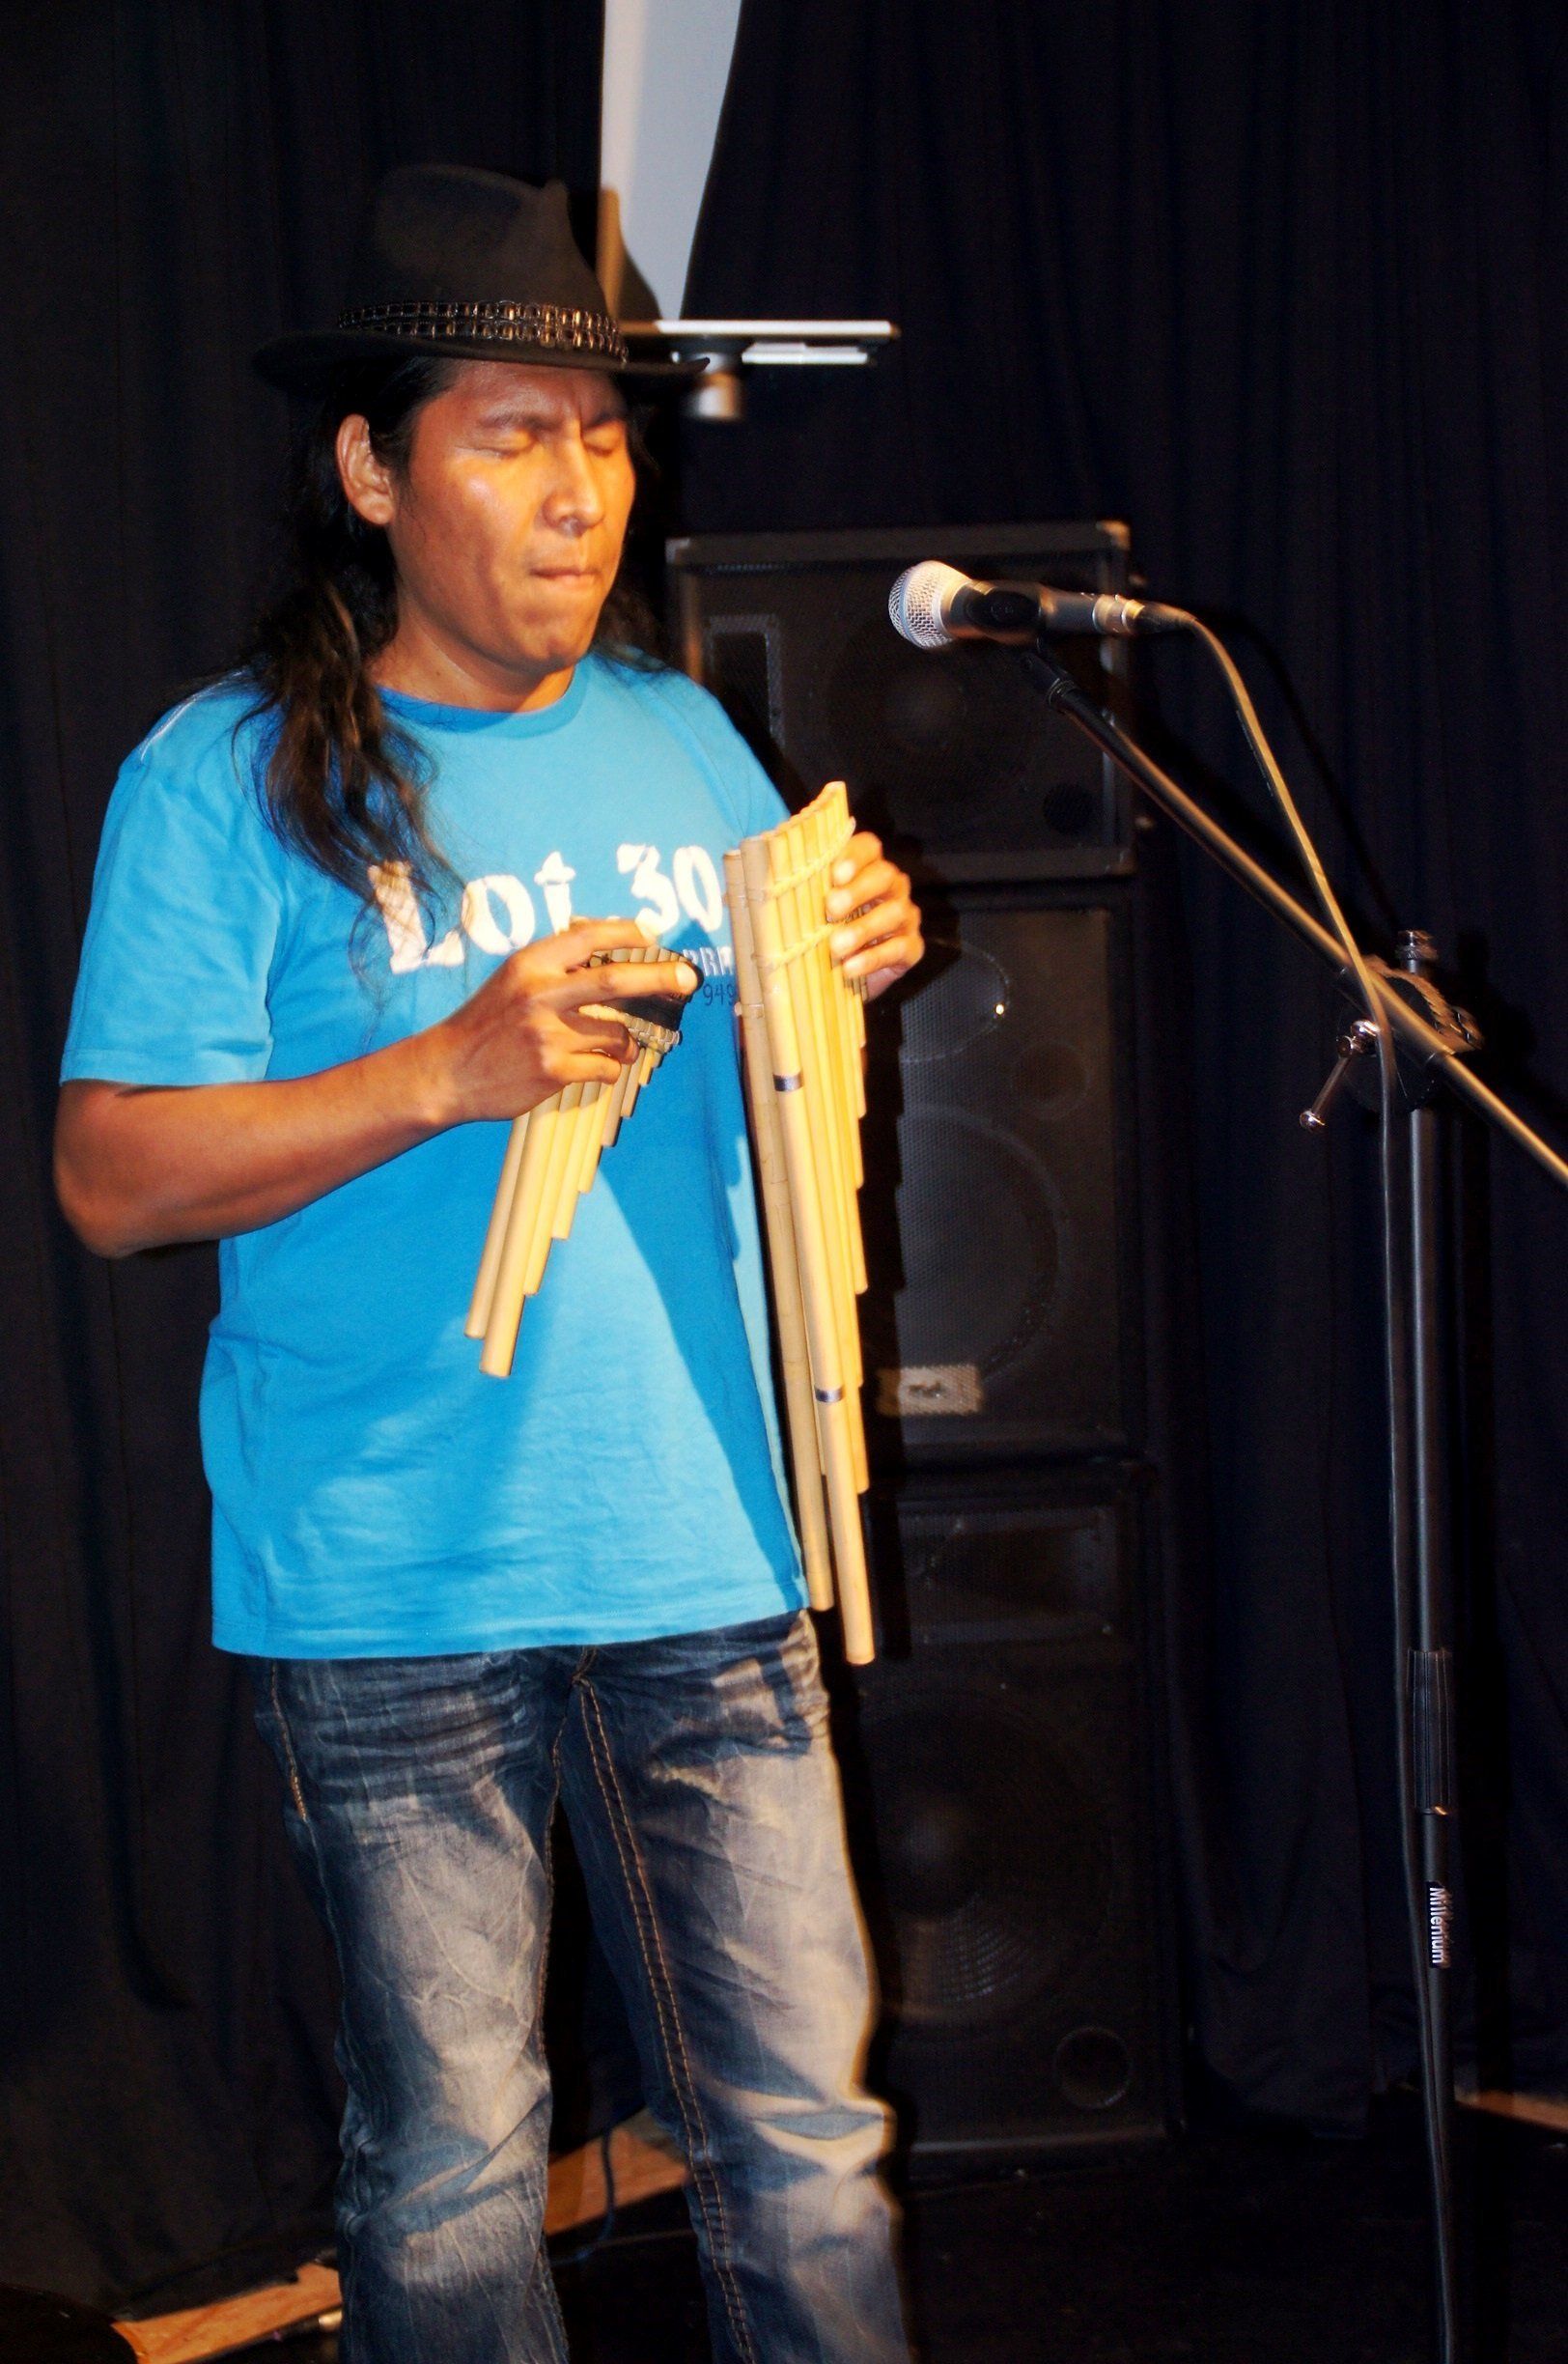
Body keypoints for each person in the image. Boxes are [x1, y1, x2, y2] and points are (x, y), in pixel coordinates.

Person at [54, 166, 922, 2364]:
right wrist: (444, 1069)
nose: (578, 493)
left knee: (807, 2151)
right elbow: (112, 1177)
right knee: (449, 2183)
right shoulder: (224, 774)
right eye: (513, 436)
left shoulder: (684, 738)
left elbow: (772, 1097)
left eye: (604, 438)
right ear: (371, 470)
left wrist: (841, 964)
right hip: (393, 1573)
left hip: (706, 1542)